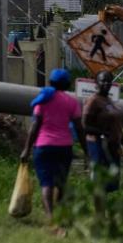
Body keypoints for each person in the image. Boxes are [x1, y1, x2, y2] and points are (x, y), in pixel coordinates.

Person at [20, 69, 87, 223]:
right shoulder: (72, 102)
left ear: (50, 82)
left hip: (43, 147)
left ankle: (50, 218)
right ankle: (60, 214)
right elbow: (79, 128)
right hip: (64, 148)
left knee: (46, 184)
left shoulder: (43, 99)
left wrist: (26, 149)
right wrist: (86, 150)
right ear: (68, 85)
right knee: (61, 183)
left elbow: (35, 125)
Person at [83, 70, 123, 198]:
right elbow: (84, 125)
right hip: (99, 146)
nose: (106, 83)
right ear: (96, 83)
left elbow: (117, 128)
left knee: (111, 184)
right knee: (100, 183)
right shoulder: (93, 101)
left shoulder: (108, 101)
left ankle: (104, 213)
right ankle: (99, 215)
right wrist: (103, 132)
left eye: (108, 81)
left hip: (113, 147)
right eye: (102, 80)